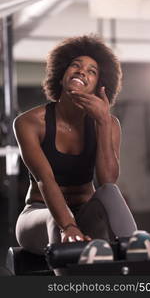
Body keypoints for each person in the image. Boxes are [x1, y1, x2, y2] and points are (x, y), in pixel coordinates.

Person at [13, 35, 137, 275]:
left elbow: (107, 182)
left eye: (91, 71)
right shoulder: (29, 123)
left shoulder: (108, 123)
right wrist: (68, 225)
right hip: (39, 214)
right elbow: (45, 181)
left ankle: (137, 257)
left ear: (99, 86)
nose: (82, 72)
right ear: (61, 75)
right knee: (54, 220)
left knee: (110, 192)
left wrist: (102, 121)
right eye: (75, 65)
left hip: (85, 212)